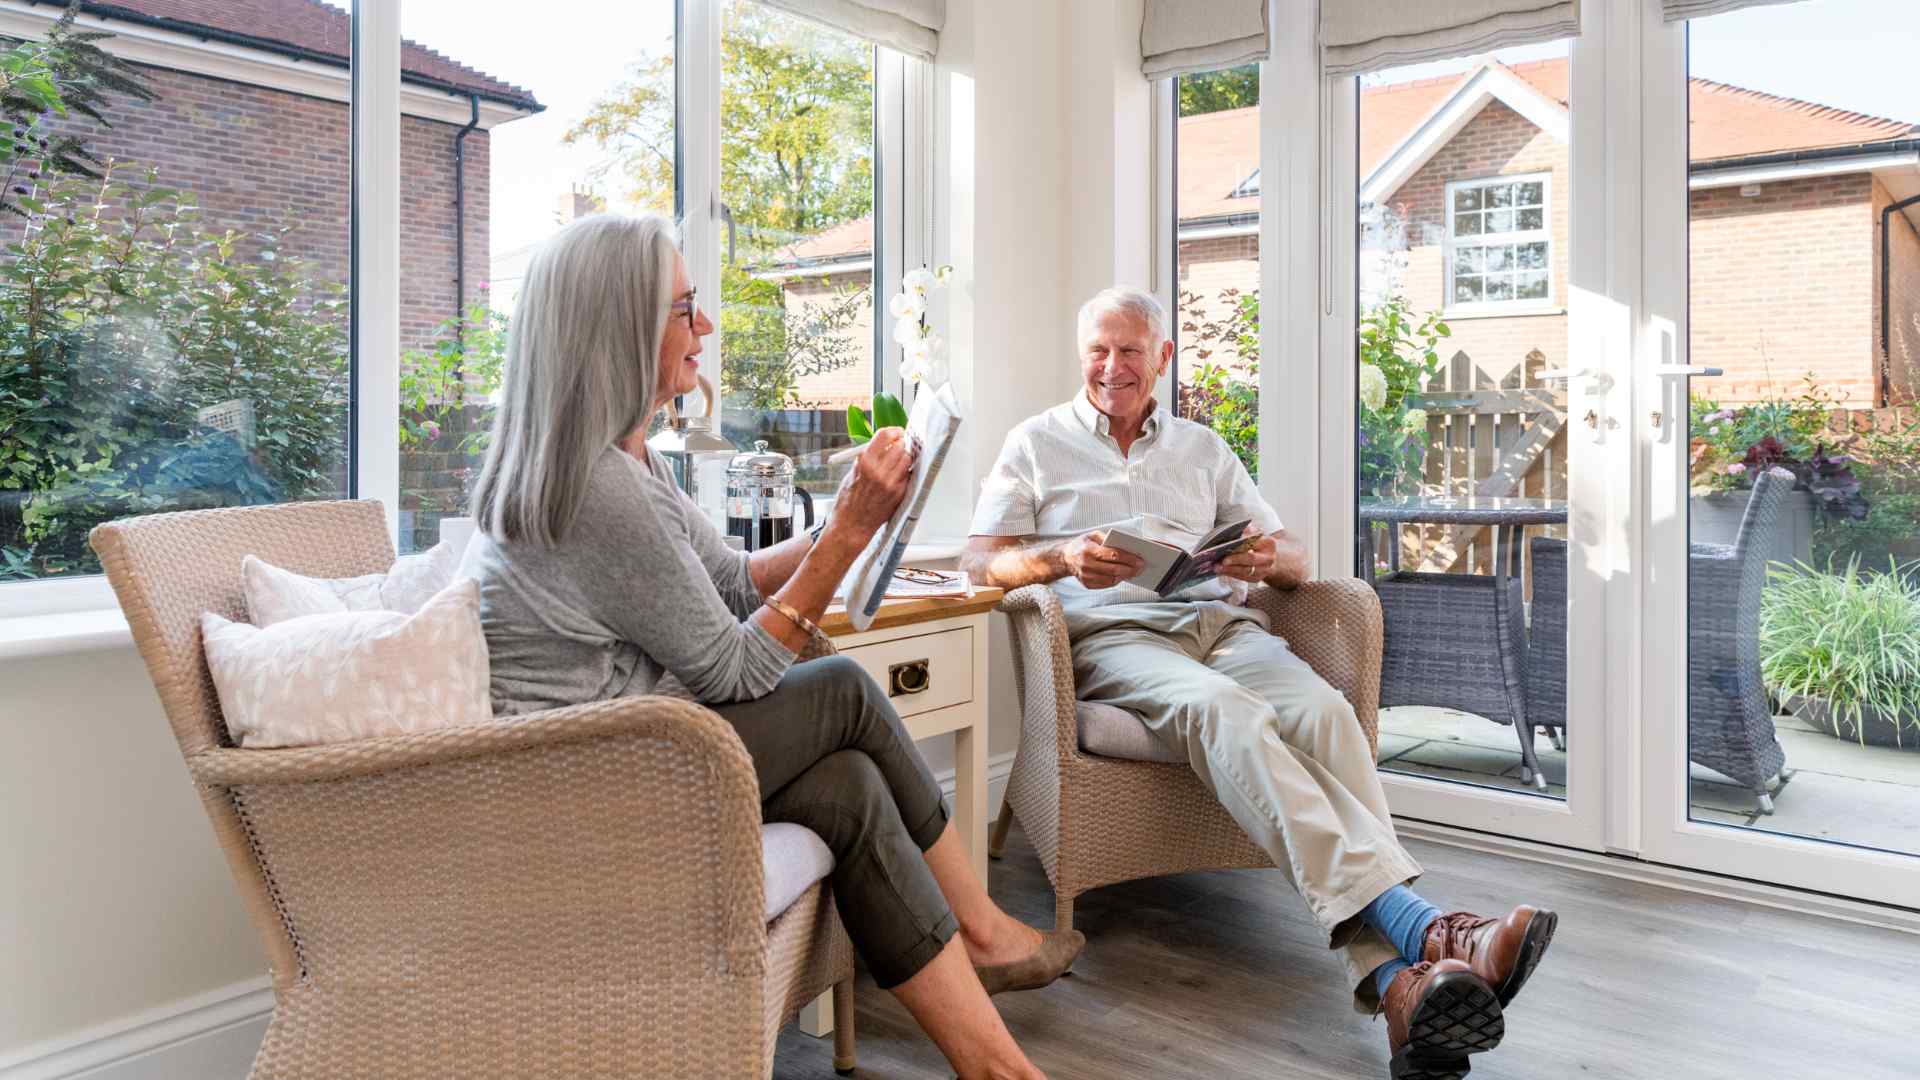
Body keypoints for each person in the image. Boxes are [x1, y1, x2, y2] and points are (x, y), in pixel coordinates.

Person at [463, 212, 1078, 1080]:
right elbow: (738, 671)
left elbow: (735, 578)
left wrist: (850, 524)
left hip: (639, 745)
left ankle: (997, 1068)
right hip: (586, 785)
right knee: (844, 691)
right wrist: (850, 532)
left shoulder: (632, 461)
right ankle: (980, 928)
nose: (704, 327)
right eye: (684, 308)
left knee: (847, 785)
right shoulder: (594, 489)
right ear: (619, 326)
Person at [959, 286, 1557, 1080]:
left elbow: (1293, 555)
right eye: (1099, 350)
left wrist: (1262, 559)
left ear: (1163, 358)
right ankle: (1429, 934)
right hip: (1117, 641)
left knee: (1326, 714)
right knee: (1226, 715)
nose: (1112, 367)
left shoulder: (1201, 448)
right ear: (1082, 355)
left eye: (1131, 350)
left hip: (1221, 626)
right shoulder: (1036, 443)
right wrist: (1059, 558)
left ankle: (1398, 991)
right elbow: (979, 562)